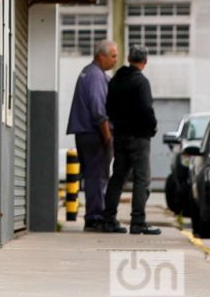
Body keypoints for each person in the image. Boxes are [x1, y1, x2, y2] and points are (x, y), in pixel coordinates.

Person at [101, 46, 160, 234]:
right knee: (142, 179)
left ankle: (109, 219)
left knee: (118, 176)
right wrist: (152, 128)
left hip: (119, 135)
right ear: (145, 61)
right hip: (139, 137)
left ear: (128, 58)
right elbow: (146, 109)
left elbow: (108, 108)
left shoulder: (116, 81)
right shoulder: (141, 82)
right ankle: (137, 222)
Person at [66, 40, 117, 231]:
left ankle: (93, 214)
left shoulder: (88, 72)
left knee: (92, 175)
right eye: (112, 56)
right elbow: (98, 110)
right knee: (98, 176)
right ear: (101, 56)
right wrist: (107, 137)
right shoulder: (96, 76)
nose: (115, 60)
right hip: (94, 134)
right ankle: (95, 216)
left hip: (84, 133)